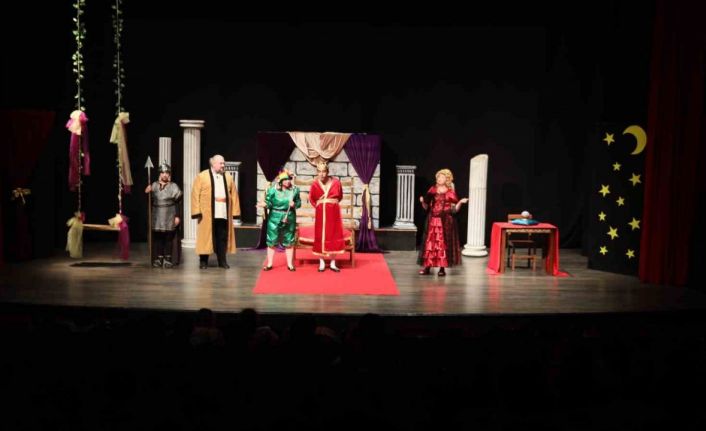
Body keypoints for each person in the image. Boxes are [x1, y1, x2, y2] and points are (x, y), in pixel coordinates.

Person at [191, 154, 241, 269]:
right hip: (207, 213)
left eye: (224, 163)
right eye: (221, 163)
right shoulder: (202, 176)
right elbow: (195, 194)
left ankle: (222, 261)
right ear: (213, 164)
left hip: (223, 212)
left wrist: (235, 212)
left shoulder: (228, 177)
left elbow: (234, 195)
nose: (223, 165)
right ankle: (203, 261)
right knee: (205, 237)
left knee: (222, 236)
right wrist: (196, 211)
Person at [417, 168, 468, 276]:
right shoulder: (432, 190)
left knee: (443, 245)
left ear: (447, 179)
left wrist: (460, 202)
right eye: (438, 177)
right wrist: (422, 202)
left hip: (445, 221)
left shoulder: (450, 193)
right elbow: (426, 207)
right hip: (433, 220)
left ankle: (442, 269)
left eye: (442, 177)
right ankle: (427, 267)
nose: (439, 179)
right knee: (431, 244)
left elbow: (454, 210)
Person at [257, 169, 301, 271]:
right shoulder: (273, 190)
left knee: (289, 240)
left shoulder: (294, 190)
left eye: (289, 179)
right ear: (281, 181)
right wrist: (265, 204)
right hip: (275, 216)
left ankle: (290, 264)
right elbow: (269, 203)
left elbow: (299, 203)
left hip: (289, 216)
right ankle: (270, 263)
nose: (288, 181)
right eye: (285, 180)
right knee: (272, 240)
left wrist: (294, 204)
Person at [309, 161, 346, 272]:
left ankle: (333, 263)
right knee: (320, 235)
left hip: (333, 212)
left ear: (328, 172)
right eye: (319, 172)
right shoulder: (315, 184)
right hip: (321, 213)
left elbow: (340, 196)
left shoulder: (336, 183)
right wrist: (320, 205)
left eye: (324, 171)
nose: (322, 174)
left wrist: (331, 204)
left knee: (334, 234)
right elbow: (312, 199)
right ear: (317, 172)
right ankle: (322, 262)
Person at [145, 162, 182, 268]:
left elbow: (178, 202)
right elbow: (149, 201)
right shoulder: (154, 185)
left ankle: (168, 259)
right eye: (163, 173)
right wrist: (147, 192)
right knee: (158, 237)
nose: (165, 175)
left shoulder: (173, 186)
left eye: (167, 173)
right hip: (157, 214)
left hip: (169, 213)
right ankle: (159, 258)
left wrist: (177, 216)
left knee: (168, 237)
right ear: (160, 174)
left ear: (169, 174)